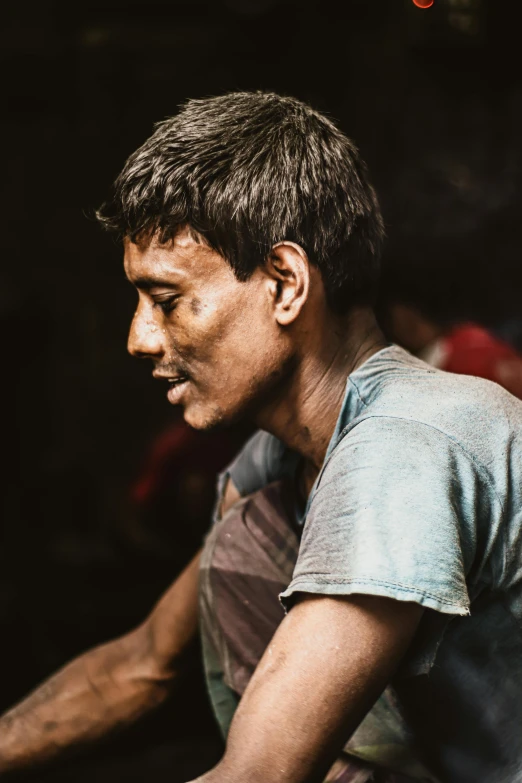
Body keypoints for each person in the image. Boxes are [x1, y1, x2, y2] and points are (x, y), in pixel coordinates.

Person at [1, 92, 522, 783]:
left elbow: (258, 774)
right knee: (244, 534)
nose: (138, 337)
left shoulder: (403, 448)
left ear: (284, 284)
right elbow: (141, 664)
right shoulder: (284, 459)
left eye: (166, 300)